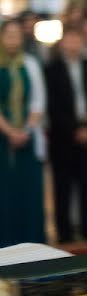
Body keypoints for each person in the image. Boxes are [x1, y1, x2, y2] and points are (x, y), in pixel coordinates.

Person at [44, 24, 87, 244]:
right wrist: (74, 130)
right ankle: (64, 234)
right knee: (62, 188)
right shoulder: (51, 70)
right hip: (63, 137)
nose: (73, 44)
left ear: (82, 42)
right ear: (62, 43)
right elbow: (52, 107)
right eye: (69, 40)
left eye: (77, 40)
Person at [0, 19, 47, 247]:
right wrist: (9, 132)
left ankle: (33, 245)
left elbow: (38, 101)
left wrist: (26, 130)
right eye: (8, 35)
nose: (13, 39)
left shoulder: (30, 64)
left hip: (27, 138)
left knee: (29, 196)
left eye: (17, 35)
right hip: (2, 139)